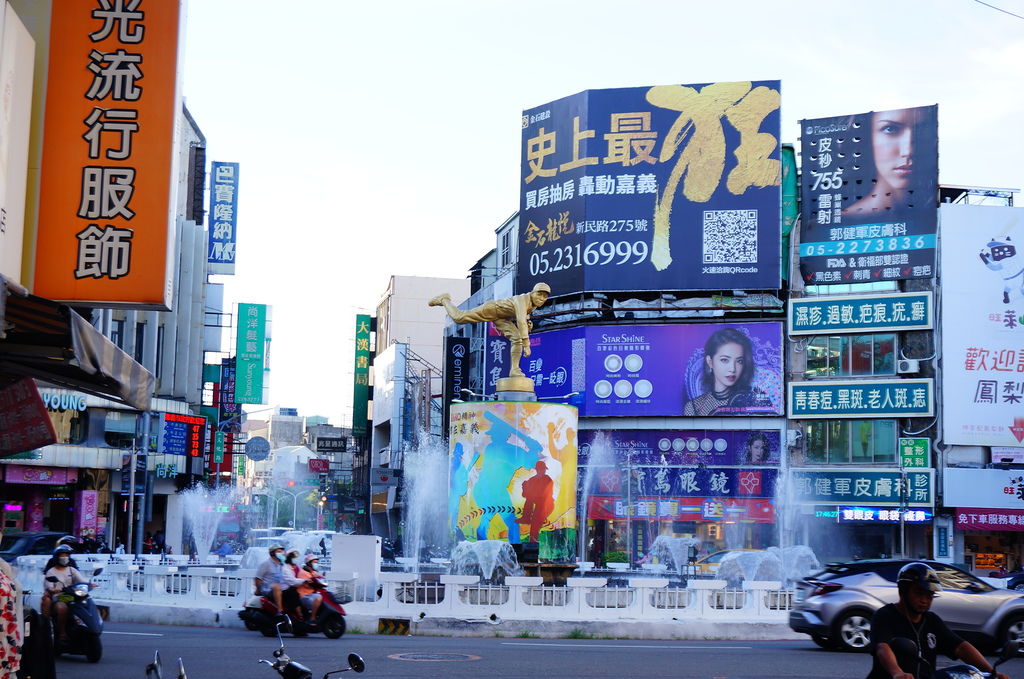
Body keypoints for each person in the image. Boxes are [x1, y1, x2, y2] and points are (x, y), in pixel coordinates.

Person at [866, 562, 1009, 679]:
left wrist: (992, 673)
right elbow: (882, 648)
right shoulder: (885, 616)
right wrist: (897, 673)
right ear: (902, 591)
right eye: (919, 594)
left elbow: (961, 647)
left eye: (929, 596)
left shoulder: (931, 620)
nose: (925, 601)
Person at [429, 282, 550, 379]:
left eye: (545, 296)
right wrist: (527, 344)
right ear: (532, 293)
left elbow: (524, 320)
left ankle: (515, 370)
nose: (542, 298)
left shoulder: (533, 305)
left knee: (516, 338)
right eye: (539, 294)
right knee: (459, 318)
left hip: (502, 318)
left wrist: (528, 325)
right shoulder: (522, 299)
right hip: (492, 310)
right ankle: (444, 299)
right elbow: (521, 320)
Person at [843, 107, 934, 220]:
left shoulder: (936, 219)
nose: (908, 151)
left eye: (922, 130)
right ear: (867, 136)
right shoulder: (839, 223)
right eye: (890, 129)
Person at [683, 328, 773, 416]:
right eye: (724, 360)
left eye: (739, 361)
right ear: (710, 362)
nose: (733, 369)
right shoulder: (694, 407)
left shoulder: (755, 398)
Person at [43, 546, 91, 644]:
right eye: (62, 556)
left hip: (73, 596)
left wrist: (89, 584)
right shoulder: (51, 572)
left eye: (66, 555)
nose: (65, 558)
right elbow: (49, 586)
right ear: (57, 557)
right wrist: (53, 589)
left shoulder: (72, 570)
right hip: (59, 597)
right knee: (62, 608)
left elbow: (81, 581)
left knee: (87, 603)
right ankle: (62, 633)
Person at [254, 544, 287, 614]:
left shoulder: (282, 564)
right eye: (279, 551)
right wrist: (258, 590)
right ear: (272, 553)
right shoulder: (266, 564)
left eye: (282, 551)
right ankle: (280, 610)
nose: (281, 553)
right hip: (268, 589)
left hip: (280, 588)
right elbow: (258, 579)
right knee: (276, 586)